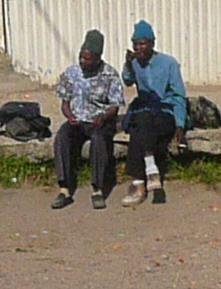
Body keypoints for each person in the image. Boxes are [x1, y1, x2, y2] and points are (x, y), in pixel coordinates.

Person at [50, 29, 120, 212]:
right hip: (78, 121)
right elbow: (65, 103)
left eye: (88, 58)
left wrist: (102, 117)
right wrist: (69, 116)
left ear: (98, 58)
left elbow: (115, 106)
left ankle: (98, 189)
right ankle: (64, 189)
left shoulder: (109, 74)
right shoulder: (71, 73)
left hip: (99, 122)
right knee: (62, 137)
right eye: (81, 57)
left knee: (98, 140)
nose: (83, 61)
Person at [121, 21, 187, 206]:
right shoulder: (134, 63)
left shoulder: (168, 63)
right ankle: (151, 177)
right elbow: (127, 81)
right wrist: (128, 64)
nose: (139, 48)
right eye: (136, 44)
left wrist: (180, 124)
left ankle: (138, 184)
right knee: (141, 121)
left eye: (143, 44)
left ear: (152, 43)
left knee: (140, 127)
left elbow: (179, 95)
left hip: (164, 111)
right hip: (144, 110)